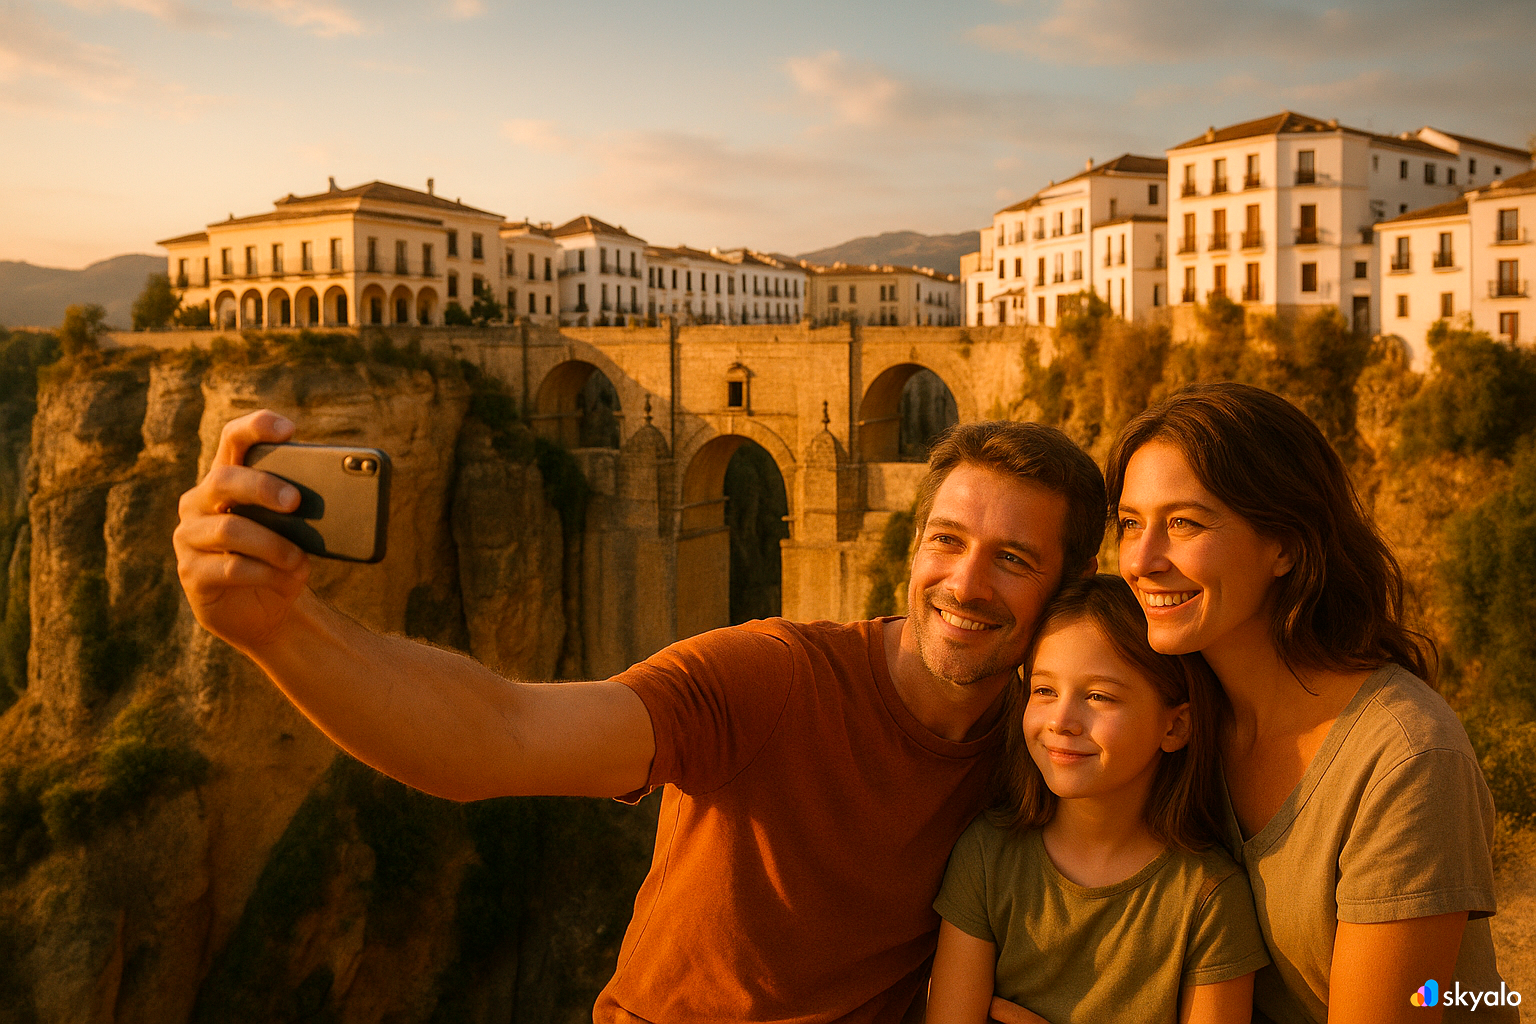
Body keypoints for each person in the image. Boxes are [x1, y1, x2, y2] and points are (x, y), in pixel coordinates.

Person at [173, 410, 1107, 1024]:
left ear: (1067, 588)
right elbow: (498, 735)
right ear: (914, 547)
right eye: (947, 540)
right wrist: (281, 629)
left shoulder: (1051, 744)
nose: (966, 582)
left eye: (1014, 560)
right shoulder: (771, 676)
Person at [1099, 382, 1512, 1024]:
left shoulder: (1406, 762)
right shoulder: (1174, 717)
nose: (1142, 561)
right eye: (1130, 524)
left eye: (1184, 523)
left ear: (1286, 544)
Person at [927, 574, 1268, 1024]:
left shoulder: (1209, 900)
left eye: (1098, 696)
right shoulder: (989, 857)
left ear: (1175, 727)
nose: (1062, 721)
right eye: (1044, 690)